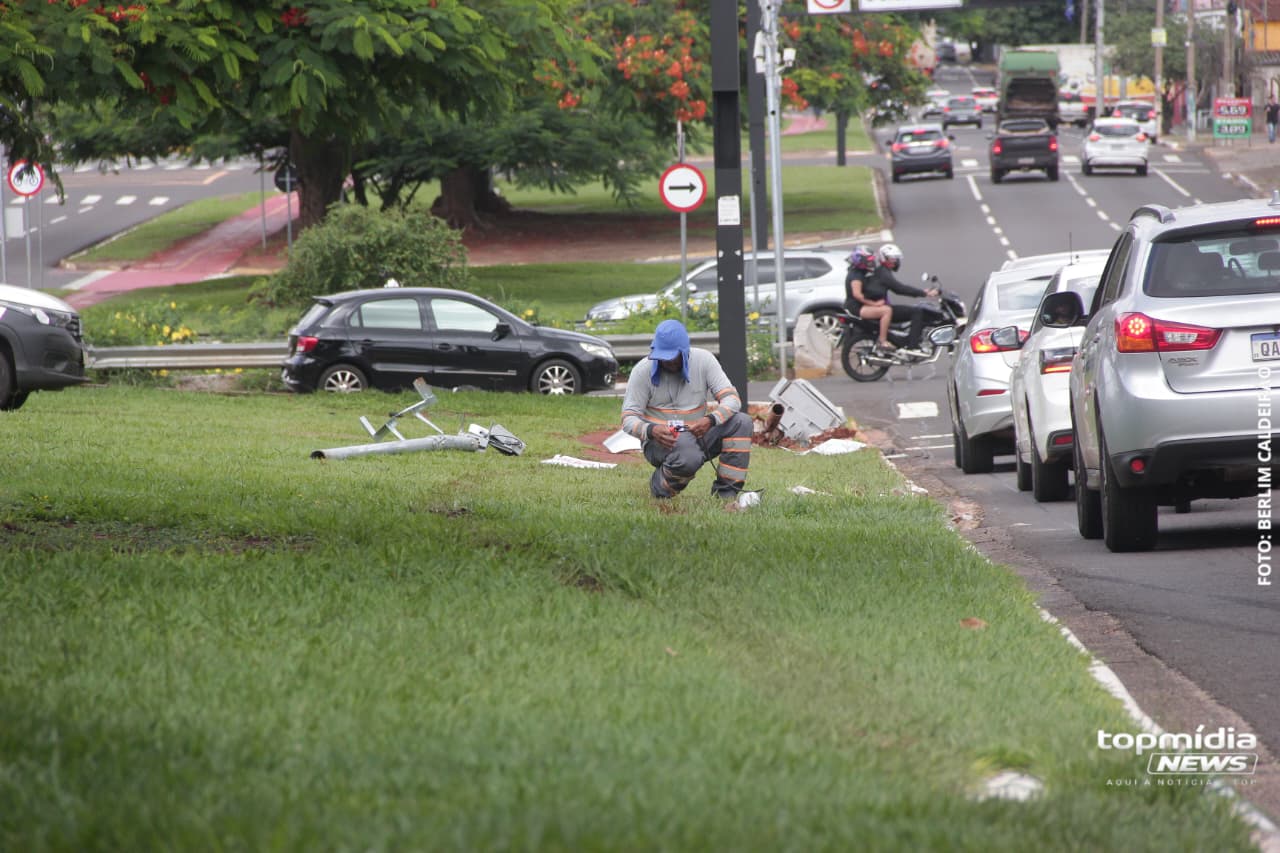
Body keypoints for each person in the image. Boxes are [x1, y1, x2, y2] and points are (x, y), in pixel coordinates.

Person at [621, 319, 753, 500]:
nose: (667, 361)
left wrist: (711, 420)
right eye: (662, 356)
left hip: (698, 432)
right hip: (661, 441)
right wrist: (651, 430)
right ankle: (661, 487)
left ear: (685, 352)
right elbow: (628, 418)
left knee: (742, 422)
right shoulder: (641, 372)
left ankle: (726, 495)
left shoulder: (704, 360)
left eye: (672, 356)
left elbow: (732, 399)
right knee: (688, 455)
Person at [856, 244, 940, 353]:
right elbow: (899, 288)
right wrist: (924, 293)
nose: (896, 262)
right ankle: (912, 346)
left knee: (914, 310)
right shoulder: (883, 273)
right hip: (881, 308)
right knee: (917, 312)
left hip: (881, 305)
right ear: (884, 258)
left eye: (896, 259)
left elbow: (897, 288)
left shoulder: (882, 271)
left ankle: (909, 338)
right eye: (893, 259)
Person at [844, 245, 894, 349]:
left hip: (858, 305)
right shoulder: (856, 276)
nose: (871, 262)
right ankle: (882, 340)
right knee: (886, 311)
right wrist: (874, 304)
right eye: (868, 260)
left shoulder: (860, 272)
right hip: (856, 308)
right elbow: (857, 295)